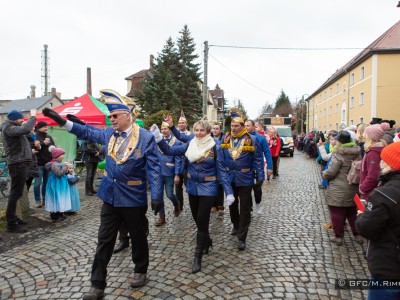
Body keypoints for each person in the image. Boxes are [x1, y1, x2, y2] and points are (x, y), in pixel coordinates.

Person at [43, 89, 163, 299]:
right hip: (110, 195)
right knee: (104, 240)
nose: (111, 119)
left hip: (133, 197)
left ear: (127, 115)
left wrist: (157, 195)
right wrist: (63, 123)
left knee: (137, 236)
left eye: (115, 116)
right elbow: (88, 132)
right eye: (110, 116)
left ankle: (140, 270)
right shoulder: (109, 134)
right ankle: (97, 284)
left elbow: (154, 168)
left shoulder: (145, 138)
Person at [150, 119, 233, 273]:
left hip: (208, 188)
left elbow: (222, 170)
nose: (199, 133)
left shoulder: (216, 146)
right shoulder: (190, 144)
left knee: (202, 219)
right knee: (197, 220)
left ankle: (197, 256)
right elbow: (170, 151)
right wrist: (159, 139)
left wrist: (229, 192)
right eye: (196, 130)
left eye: (202, 130)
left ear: (208, 132)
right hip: (192, 187)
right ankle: (207, 240)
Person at [356, 142, 400, 300]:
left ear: (391, 164)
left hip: (389, 268)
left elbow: (366, 228)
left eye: (384, 160)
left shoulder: (384, 194)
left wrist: (361, 214)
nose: (380, 164)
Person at [220, 108, 265, 250]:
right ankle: (235, 225)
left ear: (242, 127)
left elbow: (258, 159)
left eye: (236, 126)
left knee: (245, 208)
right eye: (232, 126)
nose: (233, 128)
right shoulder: (225, 138)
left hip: (245, 178)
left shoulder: (250, 139)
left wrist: (260, 177)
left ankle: (242, 236)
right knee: (232, 205)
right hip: (230, 178)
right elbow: (221, 158)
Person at [322, 131, 363, 245]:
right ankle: (357, 235)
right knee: (352, 212)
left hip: (338, 188)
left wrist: (324, 174)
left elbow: (331, 172)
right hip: (354, 185)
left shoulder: (338, 153)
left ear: (339, 141)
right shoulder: (357, 152)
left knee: (337, 212)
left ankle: (338, 236)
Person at [0, 109, 37, 233]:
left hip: (21, 162)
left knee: (18, 192)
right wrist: (32, 116)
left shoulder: (13, 128)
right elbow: (25, 129)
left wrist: (30, 152)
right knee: (15, 193)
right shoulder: (8, 128)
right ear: (14, 119)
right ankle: (11, 223)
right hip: (17, 164)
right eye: (21, 118)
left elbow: (23, 138)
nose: (23, 120)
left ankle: (14, 218)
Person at [154, 119, 182, 226]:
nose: (164, 131)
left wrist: (177, 174)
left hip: (170, 172)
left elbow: (178, 160)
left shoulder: (177, 142)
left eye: (165, 129)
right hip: (158, 173)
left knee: (170, 194)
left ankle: (176, 204)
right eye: (162, 129)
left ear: (169, 130)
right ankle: (162, 218)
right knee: (159, 196)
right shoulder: (157, 141)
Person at [245, 120, 273, 214]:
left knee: (257, 188)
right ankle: (249, 208)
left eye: (248, 125)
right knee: (246, 189)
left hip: (258, 167)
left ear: (253, 126)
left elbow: (267, 152)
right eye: (245, 126)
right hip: (246, 168)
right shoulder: (243, 138)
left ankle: (258, 203)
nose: (246, 127)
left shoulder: (260, 138)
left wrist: (270, 167)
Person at [359, 123, 387, 201]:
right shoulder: (372, 150)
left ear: (370, 137)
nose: (363, 135)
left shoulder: (373, 153)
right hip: (371, 191)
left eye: (365, 133)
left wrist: (363, 188)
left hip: (370, 192)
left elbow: (373, 175)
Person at [45, 146, 71, 222]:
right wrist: (65, 166)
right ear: (58, 156)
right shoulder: (54, 164)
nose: (63, 157)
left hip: (60, 184)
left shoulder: (58, 163)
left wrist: (67, 170)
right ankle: (55, 215)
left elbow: (62, 172)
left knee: (60, 198)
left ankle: (60, 213)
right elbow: (59, 173)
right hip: (56, 184)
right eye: (62, 155)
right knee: (55, 198)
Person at [34, 121, 55, 207]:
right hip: (39, 163)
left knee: (46, 182)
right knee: (37, 183)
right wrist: (43, 143)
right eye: (44, 127)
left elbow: (54, 148)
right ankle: (37, 200)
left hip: (48, 163)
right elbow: (33, 147)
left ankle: (45, 199)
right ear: (39, 128)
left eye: (47, 126)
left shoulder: (49, 137)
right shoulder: (35, 136)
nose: (47, 128)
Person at [175, 110, 191, 211]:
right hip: (176, 164)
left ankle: (193, 203)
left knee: (188, 185)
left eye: (183, 122)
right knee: (177, 187)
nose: (181, 124)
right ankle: (179, 205)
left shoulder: (190, 135)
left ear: (186, 124)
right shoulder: (174, 136)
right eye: (180, 123)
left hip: (187, 164)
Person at [210, 121, 225, 216]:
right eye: (213, 128)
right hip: (211, 166)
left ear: (220, 130)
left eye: (217, 129)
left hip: (221, 165)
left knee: (220, 186)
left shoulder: (225, 139)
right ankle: (213, 204)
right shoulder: (209, 139)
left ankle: (220, 205)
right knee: (212, 185)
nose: (215, 130)